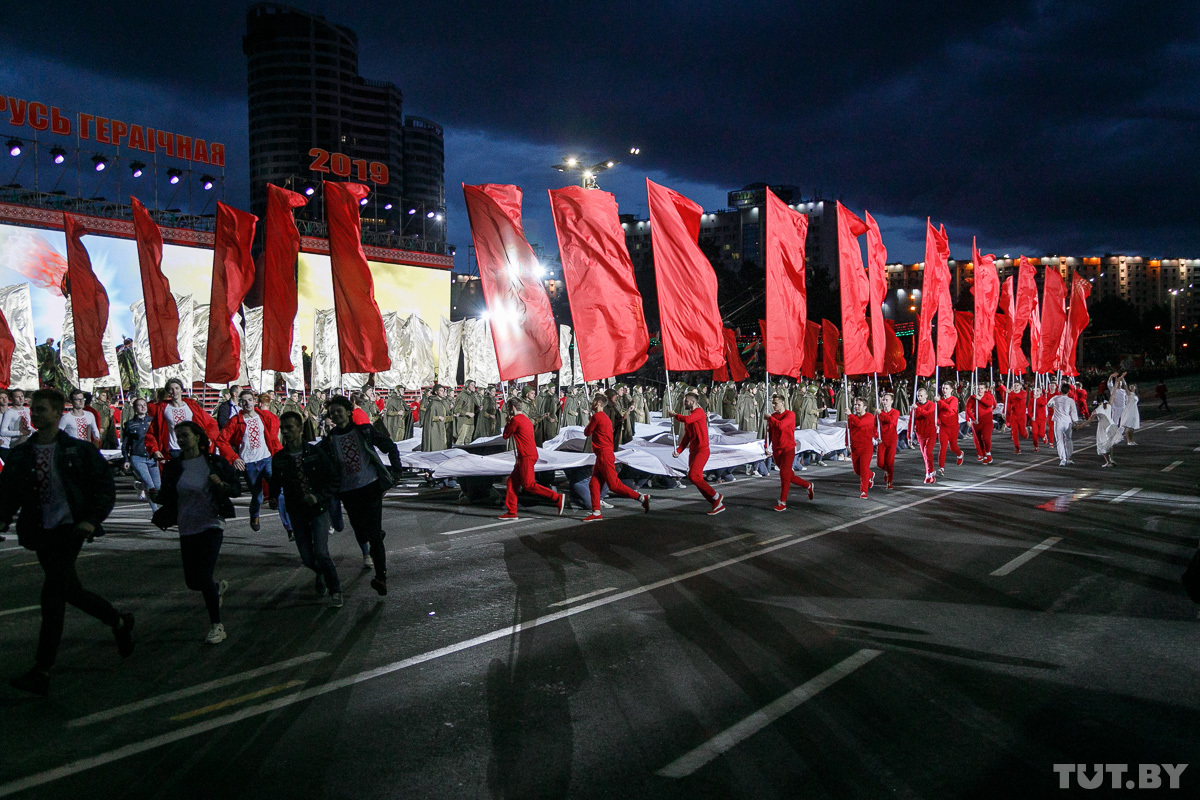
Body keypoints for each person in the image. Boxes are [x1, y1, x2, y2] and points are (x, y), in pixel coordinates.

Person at [0, 388, 134, 696]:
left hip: (70, 530)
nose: (35, 415)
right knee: (70, 590)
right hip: (40, 531)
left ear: (58, 413)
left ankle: (42, 670)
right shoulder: (23, 453)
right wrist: (2, 518)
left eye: (42, 410)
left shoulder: (78, 450)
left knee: (53, 596)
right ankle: (118, 621)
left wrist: (91, 519)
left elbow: (103, 485)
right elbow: (8, 491)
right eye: (34, 410)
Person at [150, 420, 239, 644]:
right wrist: (155, 496)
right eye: (178, 436)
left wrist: (221, 484)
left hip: (211, 523)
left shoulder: (213, 463)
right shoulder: (173, 467)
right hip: (187, 526)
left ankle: (217, 626)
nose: (181, 440)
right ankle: (216, 588)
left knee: (203, 576)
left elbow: (236, 488)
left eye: (185, 435)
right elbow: (168, 496)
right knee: (193, 582)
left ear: (198, 437)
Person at [316, 395, 401, 596]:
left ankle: (381, 577)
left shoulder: (364, 431)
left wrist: (396, 471)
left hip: (370, 487)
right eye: (332, 413)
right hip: (348, 492)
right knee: (361, 533)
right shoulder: (329, 442)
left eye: (339, 411)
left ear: (348, 412)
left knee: (373, 538)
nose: (336, 415)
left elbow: (389, 446)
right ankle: (375, 534)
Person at [271, 412, 343, 607]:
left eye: (289, 427)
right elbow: (275, 483)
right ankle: (320, 572)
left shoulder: (315, 453)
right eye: (282, 428)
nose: (285, 431)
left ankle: (335, 589)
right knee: (306, 557)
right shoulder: (279, 458)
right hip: (296, 511)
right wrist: (272, 496)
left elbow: (333, 479)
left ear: (300, 429)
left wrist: (318, 496)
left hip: (318, 509)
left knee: (321, 552)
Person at [216, 389, 285, 533]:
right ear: (240, 404)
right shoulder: (236, 421)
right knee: (257, 496)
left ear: (255, 401)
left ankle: (289, 526)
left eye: (249, 400)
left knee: (279, 490)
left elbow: (275, 427)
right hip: (249, 463)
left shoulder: (263, 416)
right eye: (244, 401)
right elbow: (221, 440)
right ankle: (254, 515)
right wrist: (234, 458)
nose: (247, 403)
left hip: (266, 459)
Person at [582, 394, 649, 522]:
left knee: (614, 485)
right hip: (604, 454)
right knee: (594, 483)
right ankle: (596, 512)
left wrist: (590, 421)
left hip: (603, 454)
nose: (592, 402)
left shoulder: (597, 417)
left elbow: (587, 432)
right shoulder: (604, 417)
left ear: (599, 403)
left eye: (594, 401)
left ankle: (641, 498)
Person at [498, 397, 565, 519]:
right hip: (528, 454)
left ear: (512, 408)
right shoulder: (526, 420)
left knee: (529, 485)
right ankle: (512, 511)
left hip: (526, 456)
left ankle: (556, 497)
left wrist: (508, 421)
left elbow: (506, 435)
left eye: (508, 408)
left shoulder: (516, 420)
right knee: (512, 481)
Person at [145, 378, 219, 461]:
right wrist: (155, 449)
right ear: (168, 392)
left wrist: (208, 437)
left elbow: (210, 423)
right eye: (171, 389)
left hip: (192, 447)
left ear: (181, 389)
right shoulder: (163, 409)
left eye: (177, 388)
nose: (174, 391)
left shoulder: (191, 405)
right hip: (174, 449)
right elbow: (152, 431)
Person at [674, 392, 724, 514]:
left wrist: (675, 415)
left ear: (693, 402)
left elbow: (687, 419)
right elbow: (687, 437)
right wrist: (679, 450)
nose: (684, 403)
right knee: (696, 478)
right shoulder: (692, 415)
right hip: (694, 451)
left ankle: (716, 496)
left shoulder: (698, 412)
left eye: (686, 401)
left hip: (702, 450)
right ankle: (715, 503)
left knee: (693, 476)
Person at [764, 393, 813, 511]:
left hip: (788, 449)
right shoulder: (773, 416)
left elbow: (781, 426)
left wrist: (770, 418)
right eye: (773, 403)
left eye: (776, 403)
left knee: (784, 475)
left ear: (782, 403)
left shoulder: (790, 414)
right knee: (788, 475)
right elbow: (769, 432)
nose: (774, 405)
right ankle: (808, 485)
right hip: (777, 450)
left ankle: (782, 502)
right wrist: (767, 446)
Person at [121, 397, 160, 511]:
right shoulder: (130, 424)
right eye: (140, 405)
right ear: (135, 408)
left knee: (157, 486)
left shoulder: (153, 421)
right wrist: (126, 459)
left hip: (151, 457)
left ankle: (140, 485)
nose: (143, 407)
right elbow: (126, 444)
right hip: (137, 457)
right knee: (150, 485)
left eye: (144, 405)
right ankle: (155, 510)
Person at [847, 398, 876, 498]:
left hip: (866, 448)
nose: (856, 407)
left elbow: (859, 424)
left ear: (865, 407)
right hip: (855, 448)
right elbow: (848, 431)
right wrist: (847, 443)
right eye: (855, 405)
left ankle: (864, 491)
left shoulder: (869, 417)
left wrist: (850, 415)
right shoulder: (852, 418)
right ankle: (870, 475)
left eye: (859, 405)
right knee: (857, 471)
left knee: (863, 470)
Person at [908, 387, 937, 484]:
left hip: (930, 432)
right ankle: (928, 473)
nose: (919, 398)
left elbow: (928, 414)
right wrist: (909, 436)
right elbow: (911, 421)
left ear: (926, 396)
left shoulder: (931, 405)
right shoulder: (915, 407)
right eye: (918, 396)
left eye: (921, 395)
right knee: (924, 455)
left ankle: (931, 471)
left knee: (928, 452)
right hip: (920, 434)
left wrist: (918, 409)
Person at [935, 382, 964, 475]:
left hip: (953, 426)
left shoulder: (954, 399)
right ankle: (941, 468)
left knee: (953, 447)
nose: (944, 390)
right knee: (942, 447)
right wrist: (937, 422)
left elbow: (949, 408)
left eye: (947, 388)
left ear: (951, 390)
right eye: (943, 388)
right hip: (943, 426)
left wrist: (939, 401)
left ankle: (959, 454)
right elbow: (938, 412)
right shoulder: (940, 400)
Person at [1046, 385, 1079, 466]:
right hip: (1067, 421)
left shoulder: (1056, 398)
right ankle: (1068, 457)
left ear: (1060, 390)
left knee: (1059, 440)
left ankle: (1063, 459)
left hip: (1058, 422)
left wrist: (1054, 406)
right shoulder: (1070, 400)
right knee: (1068, 439)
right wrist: (1076, 421)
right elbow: (1074, 411)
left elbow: (1048, 404)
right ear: (1068, 391)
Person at [1086, 399, 1121, 467]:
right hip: (1111, 425)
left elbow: (1089, 421)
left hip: (1103, 427)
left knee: (1101, 443)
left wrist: (1079, 426)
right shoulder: (1108, 406)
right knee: (1110, 443)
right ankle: (1111, 459)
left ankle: (1108, 461)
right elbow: (1112, 395)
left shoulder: (1097, 410)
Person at [965, 383, 995, 464]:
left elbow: (990, 404)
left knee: (986, 438)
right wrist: (972, 419)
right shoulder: (971, 398)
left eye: (981, 388)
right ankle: (984, 455)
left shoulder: (989, 396)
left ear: (985, 389)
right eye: (978, 388)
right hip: (977, 422)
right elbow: (967, 409)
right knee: (979, 440)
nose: (979, 390)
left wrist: (980, 399)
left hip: (987, 421)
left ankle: (988, 452)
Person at [876, 392, 900, 489]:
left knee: (890, 462)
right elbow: (874, 426)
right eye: (883, 399)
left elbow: (891, 420)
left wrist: (880, 413)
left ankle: (890, 481)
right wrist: (876, 436)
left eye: (887, 400)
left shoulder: (895, 412)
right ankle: (886, 470)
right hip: (882, 440)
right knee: (880, 463)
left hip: (891, 439)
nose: (885, 402)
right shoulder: (878, 413)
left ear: (891, 401)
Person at [1005, 381, 1028, 454]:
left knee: (1022, 433)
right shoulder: (1010, 394)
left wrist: (1010, 393)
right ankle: (1017, 448)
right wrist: (1005, 413)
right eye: (1014, 385)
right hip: (1013, 415)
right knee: (1014, 432)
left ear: (1020, 386)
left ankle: (1025, 432)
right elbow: (1008, 404)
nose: (1016, 387)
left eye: (1017, 385)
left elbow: (1019, 397)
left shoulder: (1023, 393)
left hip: (1022, 416)